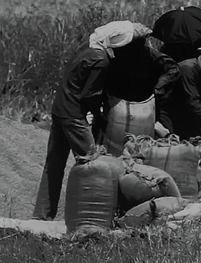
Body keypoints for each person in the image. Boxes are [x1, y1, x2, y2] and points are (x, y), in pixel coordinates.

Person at [34, 20, 134, 220]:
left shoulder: (87, 49)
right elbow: (90, 95)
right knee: (94, 166)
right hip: (74, 116)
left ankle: (42, 214)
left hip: (60, 109)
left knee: (54, 164)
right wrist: (100, 118)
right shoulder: (101, 59)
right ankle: (93, 217)